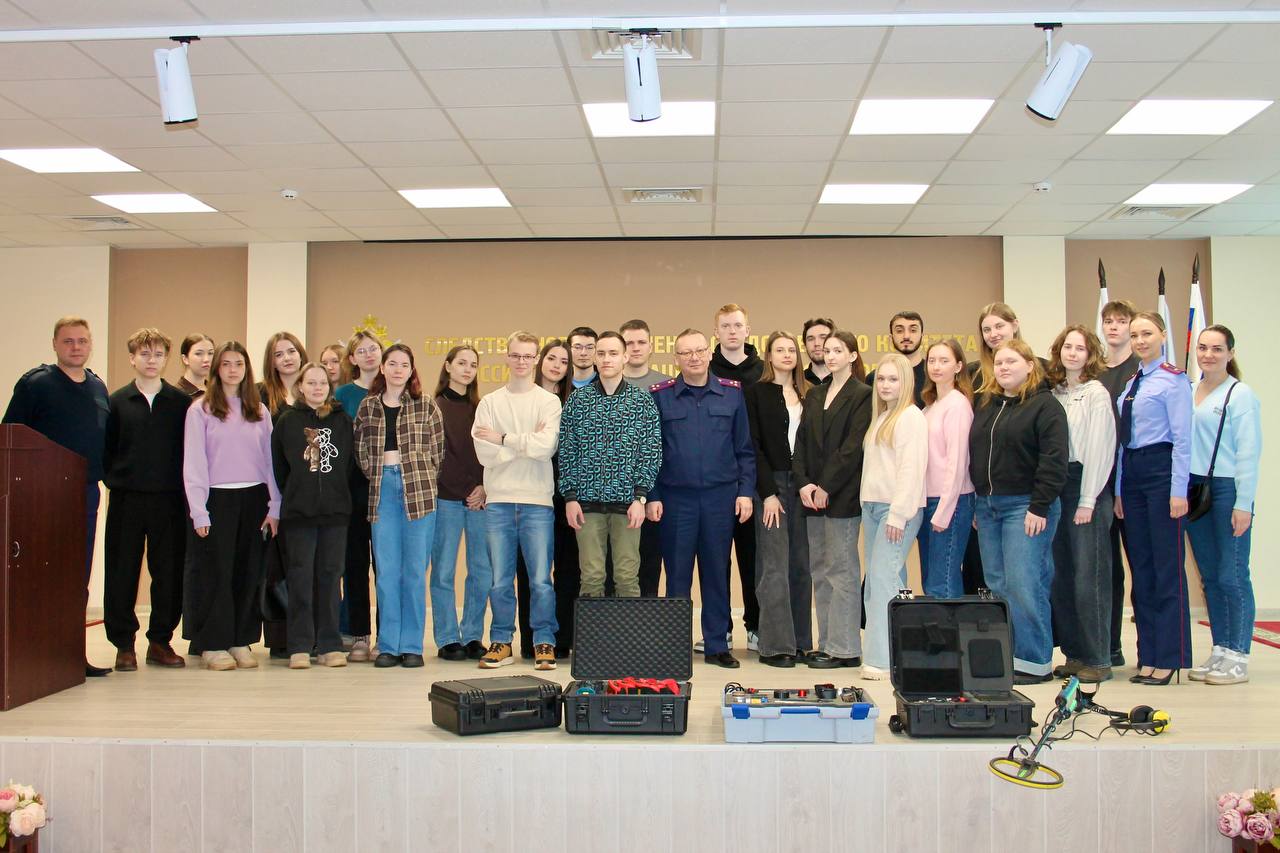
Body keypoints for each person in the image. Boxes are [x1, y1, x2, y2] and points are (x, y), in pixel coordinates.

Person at [3, 316, 112, 677]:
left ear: (90, 344)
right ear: (54, 344)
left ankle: (71, 655)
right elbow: (11, 437)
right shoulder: (36, 384)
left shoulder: (97, 386)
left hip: (86, 494)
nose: (76, 347)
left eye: (82, 341)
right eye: (68, 341)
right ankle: (33, 659)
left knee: (76, 577)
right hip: (43, 497)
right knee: (42, 575)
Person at [648, 328, 755, 669]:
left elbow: (744, 449)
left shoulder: (732, 394)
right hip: (675, 500)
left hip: (719, 499)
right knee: (677, 576)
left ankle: (716, 645)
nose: (693, 357)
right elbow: (652, 453)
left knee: (716, 573)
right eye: (685, 352)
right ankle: (674, 647)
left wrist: (745, 492)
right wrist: (653, 495)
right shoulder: (661, 396)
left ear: (710, 353)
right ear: (676, 358)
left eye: (699, 351)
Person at [969, 339, 1067, 685]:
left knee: (1025, 584)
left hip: (1026, 506)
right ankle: (1010, 655)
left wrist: (1039, 506)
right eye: (999, 363)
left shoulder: (1045, 406)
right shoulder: (988, 404)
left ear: (1029, 365)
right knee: (997, 585)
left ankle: (1035, 661)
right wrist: (980, 500)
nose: (1003, 367)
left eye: (1011, 361)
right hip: (989, 506)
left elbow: (1054, 460)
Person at [183, 341, 280, 672]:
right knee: (216, 573)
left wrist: (275, 506)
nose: (233, 370)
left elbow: (270, 462)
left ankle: (240, 638)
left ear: (247, 369)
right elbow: (194, 462)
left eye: (239, 363)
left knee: (248, 572)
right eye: (226, 364)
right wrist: (199, 510)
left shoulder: (260, 411)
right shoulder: (200, 410)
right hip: (216, 499)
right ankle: (212, 643)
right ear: (216, 370)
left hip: (254, 499)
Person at [102, 328, 191, 672]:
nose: (151, 360)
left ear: (166, 359)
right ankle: (123, 644)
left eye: (157, 354)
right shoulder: (116, 402)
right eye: (144, 354)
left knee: (168, 572)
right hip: (127, 499)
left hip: (170, 500)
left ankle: (160, 641)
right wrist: (117, 479)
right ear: (132, 358)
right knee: (121, 570)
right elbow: (107, 450)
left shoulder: (180, 403)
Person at [473, 332, 563, 671]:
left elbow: (547, 447)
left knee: (540, 580)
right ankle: (501, 641)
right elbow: (485, 454)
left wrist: (503, 438)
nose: (522, 361)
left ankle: (544, 641)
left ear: (536, 359)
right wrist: (525, 443)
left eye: (528, 356)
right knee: (500, 580)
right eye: (516, 355)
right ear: (507, 357)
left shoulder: (549, 402)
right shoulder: (489, 403)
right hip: (498, 502)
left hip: (537, 502)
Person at [1115, 312, 1193, 686]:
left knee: (1166, 569)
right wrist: (1119, 490)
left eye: (1146, 333)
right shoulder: (1132, 383)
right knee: (1142, 571)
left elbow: (1183, 440)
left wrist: (1179, 491)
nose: (1140, 340)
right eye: (1134, 335)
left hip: (1162, 472)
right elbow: (1122, 443)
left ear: (1162, 335)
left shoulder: (1173, 380)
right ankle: (1147, 655)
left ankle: (1170, 657)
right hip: (1132, 474)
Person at [354, 344, 444, 669]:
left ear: (411, 370)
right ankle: (389, 644)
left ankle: (412, 645)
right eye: (392, 363)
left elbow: (438, 451)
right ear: (382, 368)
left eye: (404, 365)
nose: (397, 370)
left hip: (419, 491)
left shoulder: (426, 405)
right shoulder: (368, 406)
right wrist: (381, 472)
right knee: (387, 572)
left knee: (415, 572)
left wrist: (417, 474)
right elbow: (360, 450)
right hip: (382, 492)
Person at [558, 331, 661, 600]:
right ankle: (592, 631)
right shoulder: (578, 401)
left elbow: (650, 452)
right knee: (591, 577)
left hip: (628, 505)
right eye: (601, 353)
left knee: (627, 577)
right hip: (586, 505)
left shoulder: (642, 401)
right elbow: (567, 452)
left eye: (613, 353)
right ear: (594, 357)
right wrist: (570, 497)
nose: (606, 359)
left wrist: (640, 497)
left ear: (625, 357)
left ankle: (628, 631)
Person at [792, 330, 872, 670]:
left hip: (842, 496)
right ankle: (826, 643)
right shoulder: (816, 393)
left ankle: (846, 648)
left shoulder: (863, 394)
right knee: (820, 571)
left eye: (839, 350)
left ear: (852, 355)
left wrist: (826, 485)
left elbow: (852, 448)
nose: (831, 355)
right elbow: (802, 443)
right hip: (812, 497)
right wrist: (804, 483)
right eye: (827, 350)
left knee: (842, 571)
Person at [1187, 325, 1261, 686]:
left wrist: (1243, 503)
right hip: (1195, 488)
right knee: (1211, 576)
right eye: (1203, 348)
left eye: (1217, 349)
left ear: (1230, 353)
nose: (1209, 354)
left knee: (1232, 574)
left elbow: (1249, 451)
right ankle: (1220, 648)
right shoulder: (1190, 390)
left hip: (1228, 488)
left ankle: (1238, 655)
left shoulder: (1240, 394)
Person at [271, 362, 353, 669]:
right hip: (299, 514)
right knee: (300, 578)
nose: (317, 388)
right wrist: (297, 494)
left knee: (330, 578)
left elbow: (348, 464)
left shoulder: (342, 421)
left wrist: (335, 494)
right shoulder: (286, 421)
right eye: (311, 383)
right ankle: (300, 645)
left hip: (335, 514)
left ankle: (330, 644)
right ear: (300, 387)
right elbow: (279, 467)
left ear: (329, 388)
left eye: (323, 383)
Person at [1046, 325, 1117, 684]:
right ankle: (1075, 655)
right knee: (1063, 577)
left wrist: (1088, 499)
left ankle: (1098, 658)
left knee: (1090, 577)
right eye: (1067, 347)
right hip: (1057, 485)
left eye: (1080, 348)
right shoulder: (1054, 393)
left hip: (1086, 486)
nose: (1072, 353)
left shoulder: (1096, 394)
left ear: (1090, 355)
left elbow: (1101, 449)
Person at [745, 331, 812, 668]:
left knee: (801, 565)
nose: (786, 355)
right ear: (769, 356)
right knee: (774, 566)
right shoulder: (756, 393)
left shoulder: (809, 393)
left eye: (791, 350)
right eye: (779, 350)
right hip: (771, 487)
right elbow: (753, 445)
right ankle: (775, 645)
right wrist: (767, 492)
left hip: (802, 486)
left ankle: (801, 642)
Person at [860, 353, 927, 677]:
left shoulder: (911, 417)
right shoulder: (881, 416)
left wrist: (898, 515)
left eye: (893, 379)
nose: (885, 385)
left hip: (895, 510)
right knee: (881, 582)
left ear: (906, 382)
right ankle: (896, 654)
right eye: (881, 379)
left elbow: (911, 470)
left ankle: (881, 660)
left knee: (882, 581)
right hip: (873, 507)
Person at [513, 339, 576, 658]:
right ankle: (532, 640)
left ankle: (561, 639)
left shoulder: (575, 401)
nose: (557, 366)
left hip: (566, 495)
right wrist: (533, 439)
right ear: (541, 361)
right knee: (530, 571)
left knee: (568, 570)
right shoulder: (523, 397)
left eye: (564, 362)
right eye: (552, 358)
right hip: (529, 491)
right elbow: (519, 444)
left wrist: (536, 439)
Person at [429, 345, 492, 661]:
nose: (468, 369)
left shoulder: (482, 408)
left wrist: (483, 485)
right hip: (446, 500)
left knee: (482, 570)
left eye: (473, 364)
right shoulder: (434, 408)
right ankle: (447, 638)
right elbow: (436, 456)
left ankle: (472, 635)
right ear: (448, 366)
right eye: (462, 363)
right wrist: (463, 488)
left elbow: (490, 453)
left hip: (479, 500)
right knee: (443, 570)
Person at [709, 303, 763, 651]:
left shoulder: (763, 370)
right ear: (716, 332)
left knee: (753, 558)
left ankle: (756, 626)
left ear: (747, 330)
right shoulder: (706, 368)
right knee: (716, 561)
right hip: (716, 480)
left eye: (737, 325)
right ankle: (721, 630)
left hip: (753, 479)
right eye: (725, 326)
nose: (732, 331)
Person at [334, 329, 383, 662]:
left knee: (385, 566)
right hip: (351, 488)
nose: (368, 355)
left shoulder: (392, 387)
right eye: (361, 351)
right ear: (352, 358)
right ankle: (359, 635)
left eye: (373, 348)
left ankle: (385, 636)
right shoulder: (342, 394)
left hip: (384, 487)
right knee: (354, 564)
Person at [917, 339, 976, 600]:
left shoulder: (957, 404)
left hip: (951, 502)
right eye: (932, 361)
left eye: (944, 361)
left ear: (958, 366)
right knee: (931, 581)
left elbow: (957, 462)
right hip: (928, 500)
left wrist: (943, 511)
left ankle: (951, 630)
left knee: (943, 582)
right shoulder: (930, 406)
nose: (937, 366)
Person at [1099, 299, 1139, 668]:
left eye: (1121, 321)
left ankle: (1152, 648)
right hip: (1101, 481)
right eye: (1108, 321)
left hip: (1133, 480)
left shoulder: (1139, 370)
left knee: (1141, 565)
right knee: (1107, 568)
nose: (1114, 327)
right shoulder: (1096, 372)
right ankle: (1110, 644)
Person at [620, 319, 668, 598]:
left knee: (650, 564)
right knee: (616, 569)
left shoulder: (666, 386)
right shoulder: (607, 384)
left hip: (653, 491)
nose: (635, 348)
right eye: (629, 343)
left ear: (651, 347)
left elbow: (664, 444)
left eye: (641, 342)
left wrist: (652, 494)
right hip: (614, 493)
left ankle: (645, 624)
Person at [866, 311, 928, 408]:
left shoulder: (933, 376)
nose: (906, 336)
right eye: (899, 331)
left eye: (913, 330)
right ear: (890, 338)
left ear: (922, 337)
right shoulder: (874, 377)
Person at [260, 332, 308, 418]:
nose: (287, 358)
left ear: (301, 356)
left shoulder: (316, 388)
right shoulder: (260, 392)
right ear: (272, 362)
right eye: (278, 355)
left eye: (291, 351)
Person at [177, 333, 214, 398]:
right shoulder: (177, 395)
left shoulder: (216, 391)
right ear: (185, 359)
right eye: (198, 354)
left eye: (210, 353)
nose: (206, 359)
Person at [802, 318, 835, 386]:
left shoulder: (847, 381)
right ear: (805, 346)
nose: (817, 343)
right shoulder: (797, 381)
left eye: (823, 337)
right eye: (811, 339)